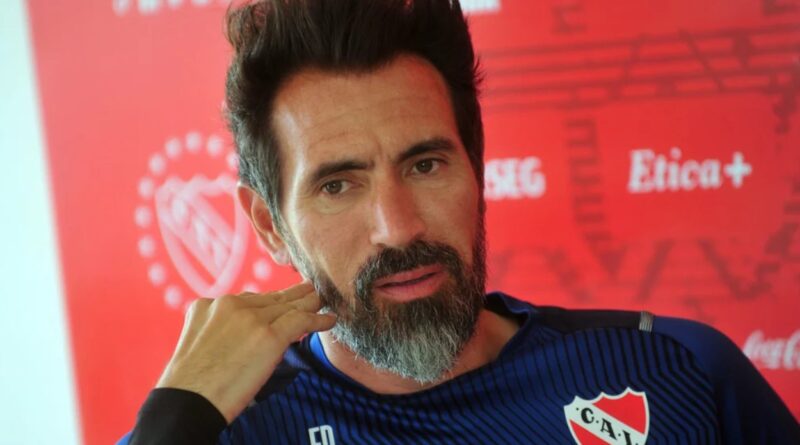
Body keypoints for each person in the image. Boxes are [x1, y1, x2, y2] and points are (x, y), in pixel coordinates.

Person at [120, 0, 800, 443]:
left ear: (477, 170)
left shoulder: (677, 371)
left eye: (425, 165)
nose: (398, 227)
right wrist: (176, 417)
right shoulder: (226, 430)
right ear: (269, 225)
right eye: (337, 185)